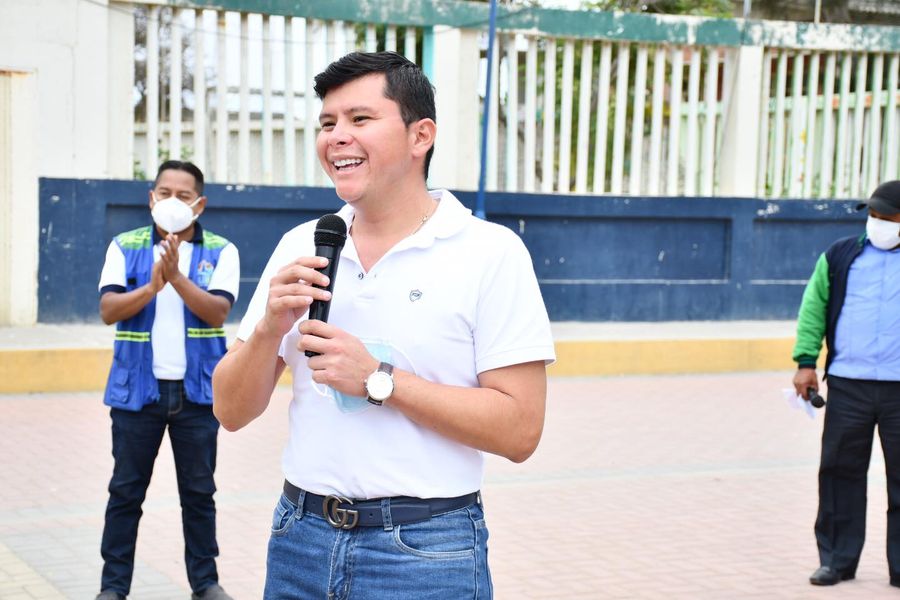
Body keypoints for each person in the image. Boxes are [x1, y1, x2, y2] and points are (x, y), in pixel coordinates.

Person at [212, 51, 555, 598]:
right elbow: (230, 411)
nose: (336, 138)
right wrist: (270, 328)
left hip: (426, 551)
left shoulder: (490, 252)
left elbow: (520, 431)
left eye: (360, 119)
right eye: (328, 123)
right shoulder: (302, 244)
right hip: (300, 539)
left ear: (421, 136)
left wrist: (379, 380)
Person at [95, 160, 239, 600]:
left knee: (199, 494)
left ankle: (205, 583)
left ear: (200, 205)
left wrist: (175, 277)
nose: (171, 202)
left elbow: (218, 312)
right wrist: (151, 288)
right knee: (125, 493)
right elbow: (108, 311)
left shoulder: (222, 251)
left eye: (183, 195)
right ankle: (113, 588)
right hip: (137, 394)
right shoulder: (125, 246)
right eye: (164, 193)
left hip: (197, 396)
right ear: (150, 198)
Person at [792, 179, 900, 587]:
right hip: (848, 385)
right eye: (872, 215)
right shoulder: (841, 255)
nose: (876, 222)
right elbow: (813, 308)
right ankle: (836, 560)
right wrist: (806, 363)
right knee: (839, 472)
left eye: (886, 217)